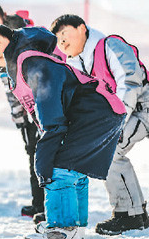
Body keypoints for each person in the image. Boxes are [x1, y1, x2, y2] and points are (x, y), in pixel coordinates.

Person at [0, 24, 125, 238]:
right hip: (102, 110)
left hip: (95, 110)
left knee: (57, 166)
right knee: (72, 167)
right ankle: (75, 226)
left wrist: (46, 149)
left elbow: (49, 109)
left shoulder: (31, 62)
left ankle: (63, 227)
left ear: (11, 41)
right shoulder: (19, 68)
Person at [50, 14, 149, 235]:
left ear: (82, 28)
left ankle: (130, 214)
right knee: (111, 151)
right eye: (58, 40)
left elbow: (129, 80)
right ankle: (135, 214)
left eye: (65, 34)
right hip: (129, 112)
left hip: (143, 105)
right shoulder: (75, 65)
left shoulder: (109, 45)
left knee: (111, 149)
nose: (62, 42)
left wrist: (119, 121)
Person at [0, 0, 45, 222]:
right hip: (25, 110)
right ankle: (39, 203)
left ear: (2, 17)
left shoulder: (17, 37)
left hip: (40, 104)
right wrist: (18, 117)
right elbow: (9, 86)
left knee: (42, 154)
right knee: (33, 153)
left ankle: (46, 204)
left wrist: (28, 112)